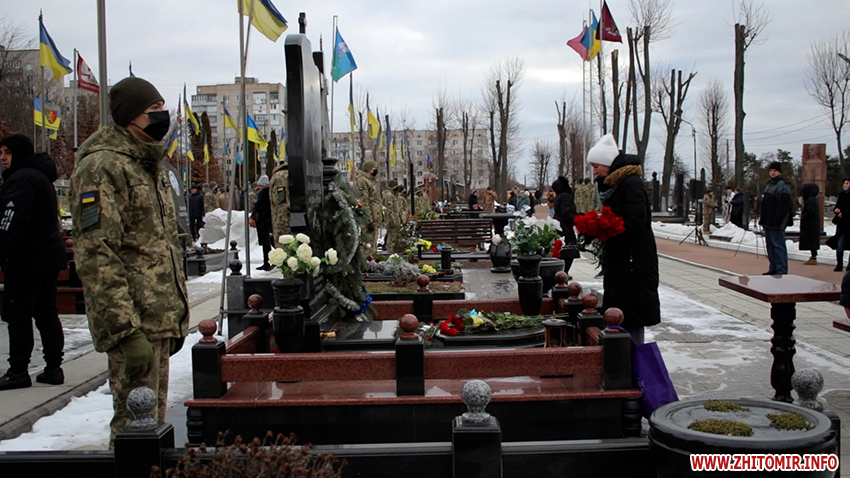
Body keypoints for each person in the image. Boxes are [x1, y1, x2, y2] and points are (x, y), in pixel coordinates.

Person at [70, 77, 189, 446]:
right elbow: (97, 254)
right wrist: (125, 331)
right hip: (134, 321)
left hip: (157, 317)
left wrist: (174, 316)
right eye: (154, 109)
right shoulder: (102, 167)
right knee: (132, 430)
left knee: (152, 428)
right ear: (131, 116)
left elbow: (159, 243)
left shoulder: (147, 163)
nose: (162, 116)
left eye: (162, 108)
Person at [0, 134, 67, 390]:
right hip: (47, 257)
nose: (3, 158)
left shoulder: (21, 179)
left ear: (19, 153)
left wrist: (2, 251)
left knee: (18, 316)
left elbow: (12, 221)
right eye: (1, 153)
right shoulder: (40, 177)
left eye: (7, 152)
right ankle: (53, 368)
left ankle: (18, 371)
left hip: (26, 259)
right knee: (46, 313)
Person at [587, 134, 660, 344]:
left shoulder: (631, 184)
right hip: (622, 259)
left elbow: (637, 222)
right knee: (620, 311)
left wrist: (607, 228)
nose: (594, 171)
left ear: (608, 163)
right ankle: (621, 355)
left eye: (596, 166)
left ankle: (632, 357)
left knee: (631, 313)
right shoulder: (616, 184)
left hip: (633, 261)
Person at [758, 161, 792, 275]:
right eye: (771, 170)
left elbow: (784, 205)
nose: (772, 173)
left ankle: (781, 269)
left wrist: (778, 220)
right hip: (768, 221)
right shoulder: (770, 185)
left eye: (775, 171)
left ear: (779, 172)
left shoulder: (782, 185)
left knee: (778, 246)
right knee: (771, 246)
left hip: (776, 222)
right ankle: (773, 267)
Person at [551, 176, 579, 276]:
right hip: (565, 228)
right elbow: (566, 213)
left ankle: (562, 273)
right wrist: (577, 220)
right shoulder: (565, 197)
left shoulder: (559, 197)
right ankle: (564, 273)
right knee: (569, 251)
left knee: (562, 251)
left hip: (559, 226)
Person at [355, 160, 381, 254]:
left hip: (374, 218)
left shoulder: (370, 181)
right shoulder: (362, 181)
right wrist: (369, 219)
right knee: (367, 246)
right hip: (369, 219)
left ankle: (371, 260)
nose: (375, 170)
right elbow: (363, 201)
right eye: (374, 168)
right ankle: (366, 261)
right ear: (369, 169)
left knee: (373, 246)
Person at [250, 175, 272, 270]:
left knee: (266, 243)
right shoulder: (269, 193)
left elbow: (259, 207)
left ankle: (267, 262)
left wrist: (253, 217)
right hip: (267, 220)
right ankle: (268, 261)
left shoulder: (263, 194)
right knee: (268, 242)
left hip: (264, 221)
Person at [269, 161, 290, 248]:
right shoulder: (284, 176)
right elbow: (282, 201)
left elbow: (280, 200)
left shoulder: (279, 176)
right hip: (286, 221)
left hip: (281, 222)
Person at [799, 183, 821, 265]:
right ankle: (813, 256)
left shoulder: (810, 200)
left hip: (810, 224)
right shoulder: (814, 199)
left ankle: (813, 257)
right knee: (813, 241)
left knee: (811, 240)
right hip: (813, 224)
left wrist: (803, 217)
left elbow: (810, 211)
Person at [832, 178, 850, 271]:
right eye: (844, 183)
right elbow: (837, 206)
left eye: (847, 183)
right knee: (840, 244)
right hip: (841, 224)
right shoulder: (842, 195)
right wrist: (836, 210)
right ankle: (839, 264)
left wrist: (844, 213)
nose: (845, 185)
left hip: (849, 224)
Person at [382, 179, 401, 251]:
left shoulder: (392, 194)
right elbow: (389, 209)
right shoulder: (388, 195)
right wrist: (394, 220)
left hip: (394, 219)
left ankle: (392, 251)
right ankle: (390, 252)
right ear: (394, 186)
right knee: (391, 238)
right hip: (391, 220)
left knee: (394, 237)